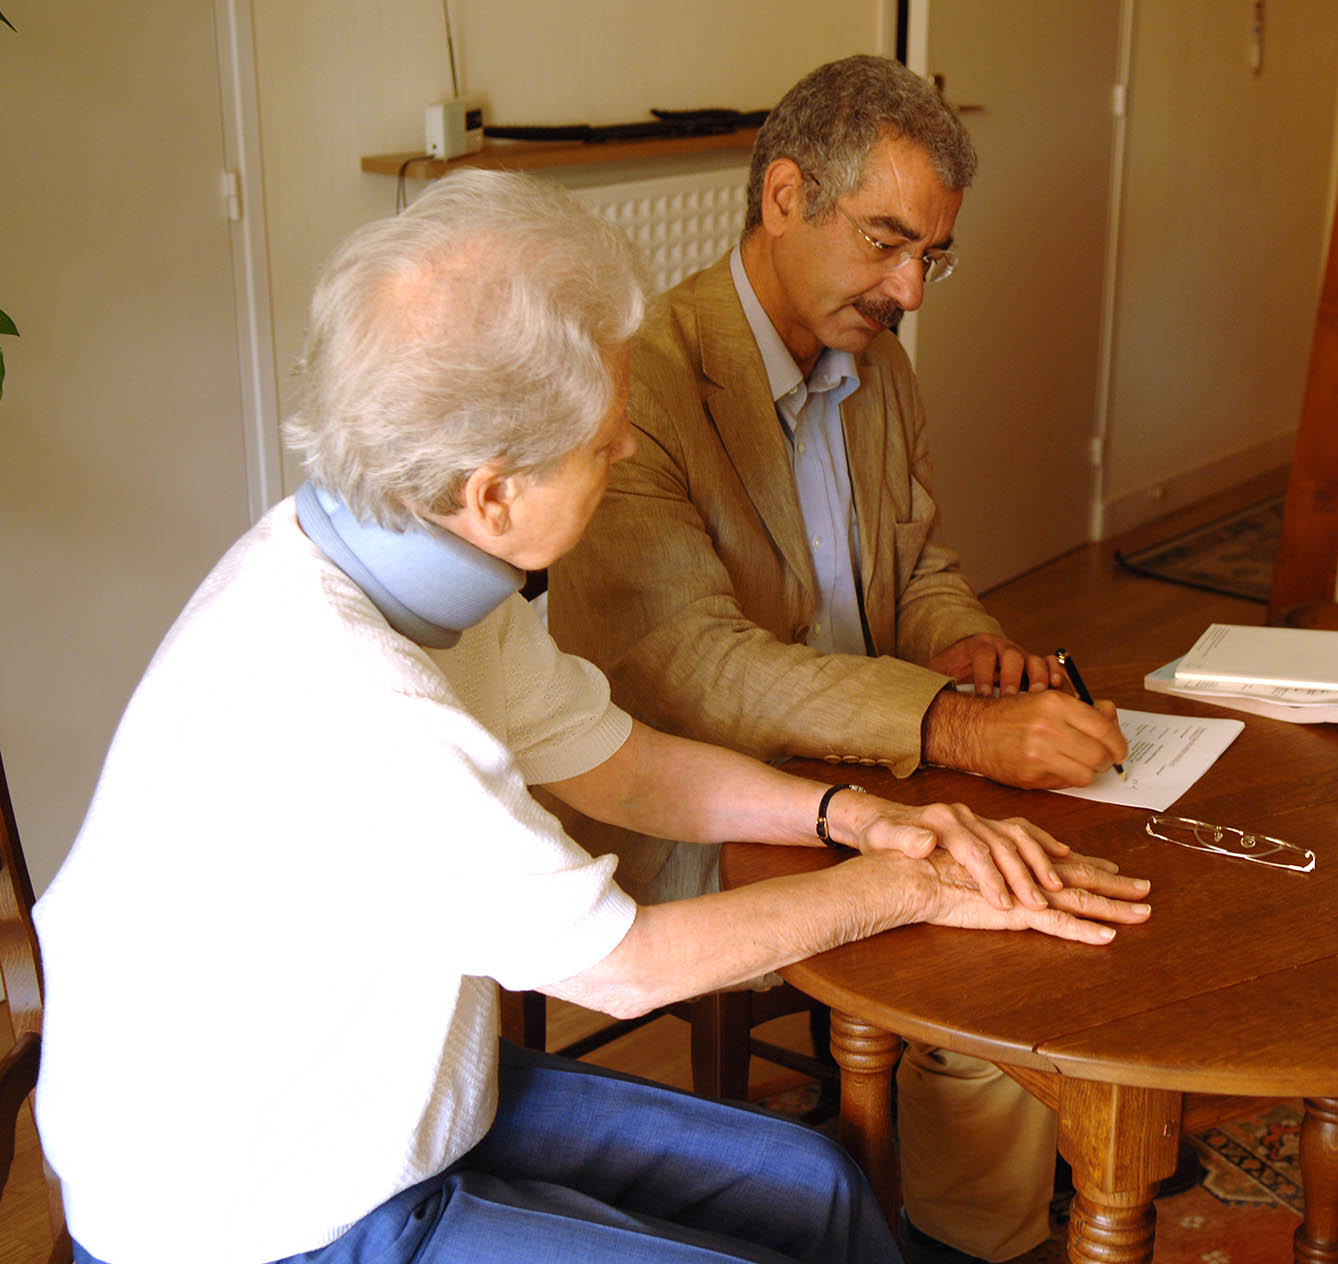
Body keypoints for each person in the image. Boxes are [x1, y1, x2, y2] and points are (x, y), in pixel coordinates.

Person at [31, 169, 1152, 1264]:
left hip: (385, 1103)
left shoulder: (417, 556)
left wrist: (851, 816)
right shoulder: (361, 702)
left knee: (817, 1185)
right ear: (494, 491)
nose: (624, 448)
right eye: (605, 438)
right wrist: (914, 885)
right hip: (267, 1216)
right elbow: (627, 968)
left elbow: (618, 762)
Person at [546, 55, 1129, 1264]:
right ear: (785, 197)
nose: (909, 289)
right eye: (886, 242)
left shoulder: (878, 363)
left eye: (931, 256)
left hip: (865, 761)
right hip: (696, 796)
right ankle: (970, 1239)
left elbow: (916, 564)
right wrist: (955, 726)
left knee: (1068, 859)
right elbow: (697, 671)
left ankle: (1023, 1180)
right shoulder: (644, 381)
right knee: (998, 936)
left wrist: (969, 649)